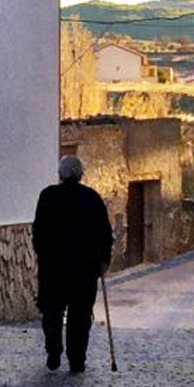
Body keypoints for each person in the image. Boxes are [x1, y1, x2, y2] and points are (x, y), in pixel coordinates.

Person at [32, 156, 113, 372]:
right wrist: (104, 260)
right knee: (80, 315)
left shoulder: (48, 196)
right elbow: (105, 233)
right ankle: (77, 360)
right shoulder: (91, 198)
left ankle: (53, 352)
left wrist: (42, 254)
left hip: (53, 268)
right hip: (83, 268)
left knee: (52, 311)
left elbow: (38, 231)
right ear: (80, 175)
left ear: (60, 174)